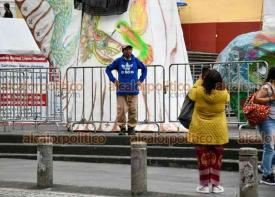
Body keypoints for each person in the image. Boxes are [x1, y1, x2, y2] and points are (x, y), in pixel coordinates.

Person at [187, 69, 230, 194]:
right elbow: (227, 96)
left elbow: (191, 94)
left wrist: (199, 80)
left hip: (200, 131)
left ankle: (204, 186)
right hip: (218, 131)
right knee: (216, 159)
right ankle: (216, 186)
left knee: (203, 159)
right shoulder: (224, 94)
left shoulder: (198, 92)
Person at [105, 45, 147, 135]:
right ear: (122, 51)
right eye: (126, 49)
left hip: (133, 90)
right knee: (122, 111)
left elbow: (144, 68)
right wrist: (114, 80)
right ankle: (122, 128)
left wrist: (141, 80)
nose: (129, 51)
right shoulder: (118, 61)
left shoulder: (136, 60)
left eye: (130, 49)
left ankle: (131, 128)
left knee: (133, 110)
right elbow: (108, 69)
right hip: (121, 91)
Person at [255, 67, 275, 185]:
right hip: (267, 120)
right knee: (269, 147)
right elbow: (257, 99)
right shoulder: (267, 87)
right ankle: (266, 176)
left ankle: (264, 166)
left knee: (271, 147)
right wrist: (271, 98)